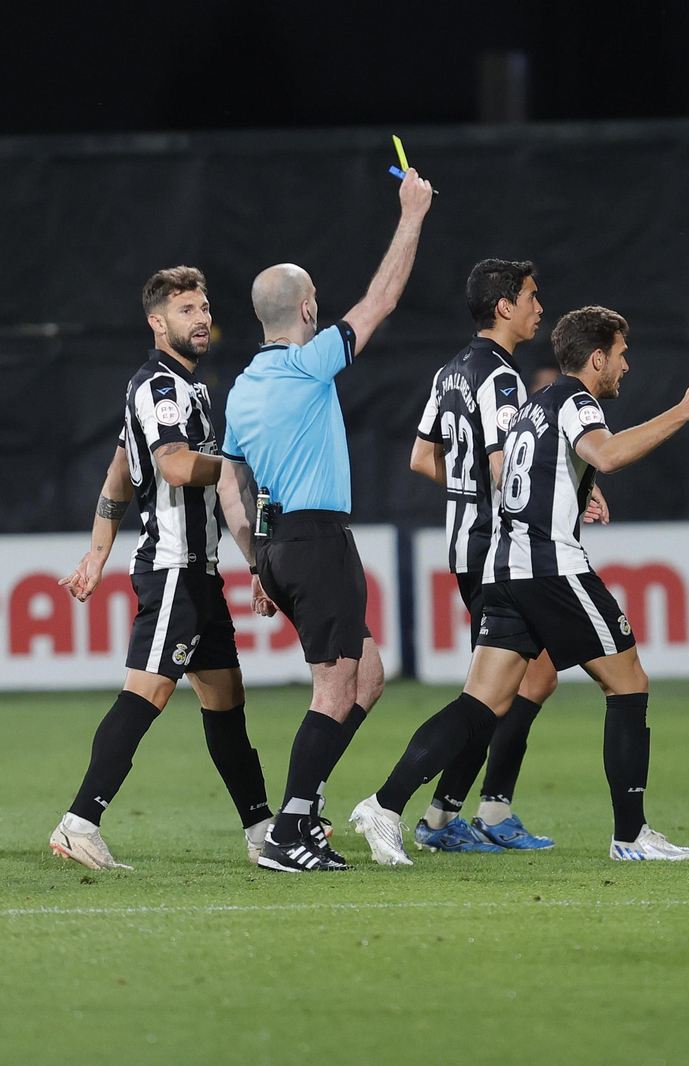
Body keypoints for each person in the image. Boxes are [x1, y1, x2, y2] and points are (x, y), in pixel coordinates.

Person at [349, 306, 689, 865]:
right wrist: (684, 410)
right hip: (551, 569)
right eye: (621, 355)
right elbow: (607, 453)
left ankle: (384, 804)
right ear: (596, 358)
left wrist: (578, 490)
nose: (626, 365)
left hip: (502, 570)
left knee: (482, 703)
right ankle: (631, 835)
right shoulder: (577, 400)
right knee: (628, 684)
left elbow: (526, 471)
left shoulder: (532, 406)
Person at [217, 167, 434, 872]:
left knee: (366, 676)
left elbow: (228, 484)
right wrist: (412, 215)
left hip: (281, 543)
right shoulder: (310, 367)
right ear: (308, 307)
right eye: (317, 299)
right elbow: (383, 299)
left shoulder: (243, 391)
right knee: (335, 687)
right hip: (315, 538)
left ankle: (301, 817)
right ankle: (288, 832)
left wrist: (256, 559)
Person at [49, 267, 274, 871]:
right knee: (144, 694)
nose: (201, 318)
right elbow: (174, 467)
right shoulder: (159, 385)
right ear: (157, 323)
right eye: (186, 310)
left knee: (226, 700)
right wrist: (239, 460)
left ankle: (260, 830)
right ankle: (79, 822)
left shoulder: (184, 388)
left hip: (199, 572)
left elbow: (121, 471)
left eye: (204, 307)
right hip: (172, 570)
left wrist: (96, 554)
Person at [408, 258, 605, 852]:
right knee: (494, 692)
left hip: (465, 542)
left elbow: (421, 458)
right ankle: (447, 815)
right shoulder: (503, 379)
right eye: (530, 296)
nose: (538, 308)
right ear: (504, 307)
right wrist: (568, 494)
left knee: (529, 678)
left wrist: (467, 487)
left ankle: (472, 812)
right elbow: (503, 463)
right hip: (502, 550)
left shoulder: (451, 372)